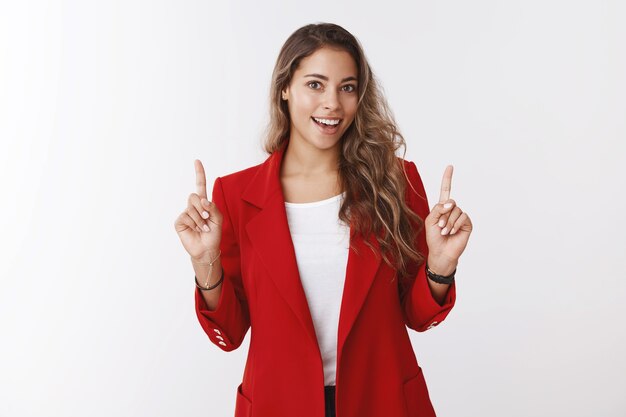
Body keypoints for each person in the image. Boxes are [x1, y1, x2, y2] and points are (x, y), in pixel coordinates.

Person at [174, 22, 473, 417]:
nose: (332, 102)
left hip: (382, 401)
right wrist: (203, 260)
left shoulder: (395, 182)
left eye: (346, 87)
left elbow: (416, 316)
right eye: (315, 84)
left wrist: (440, 265)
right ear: (285, 89)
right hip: (278, 404)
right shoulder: (235, 196)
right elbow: (229, 334)